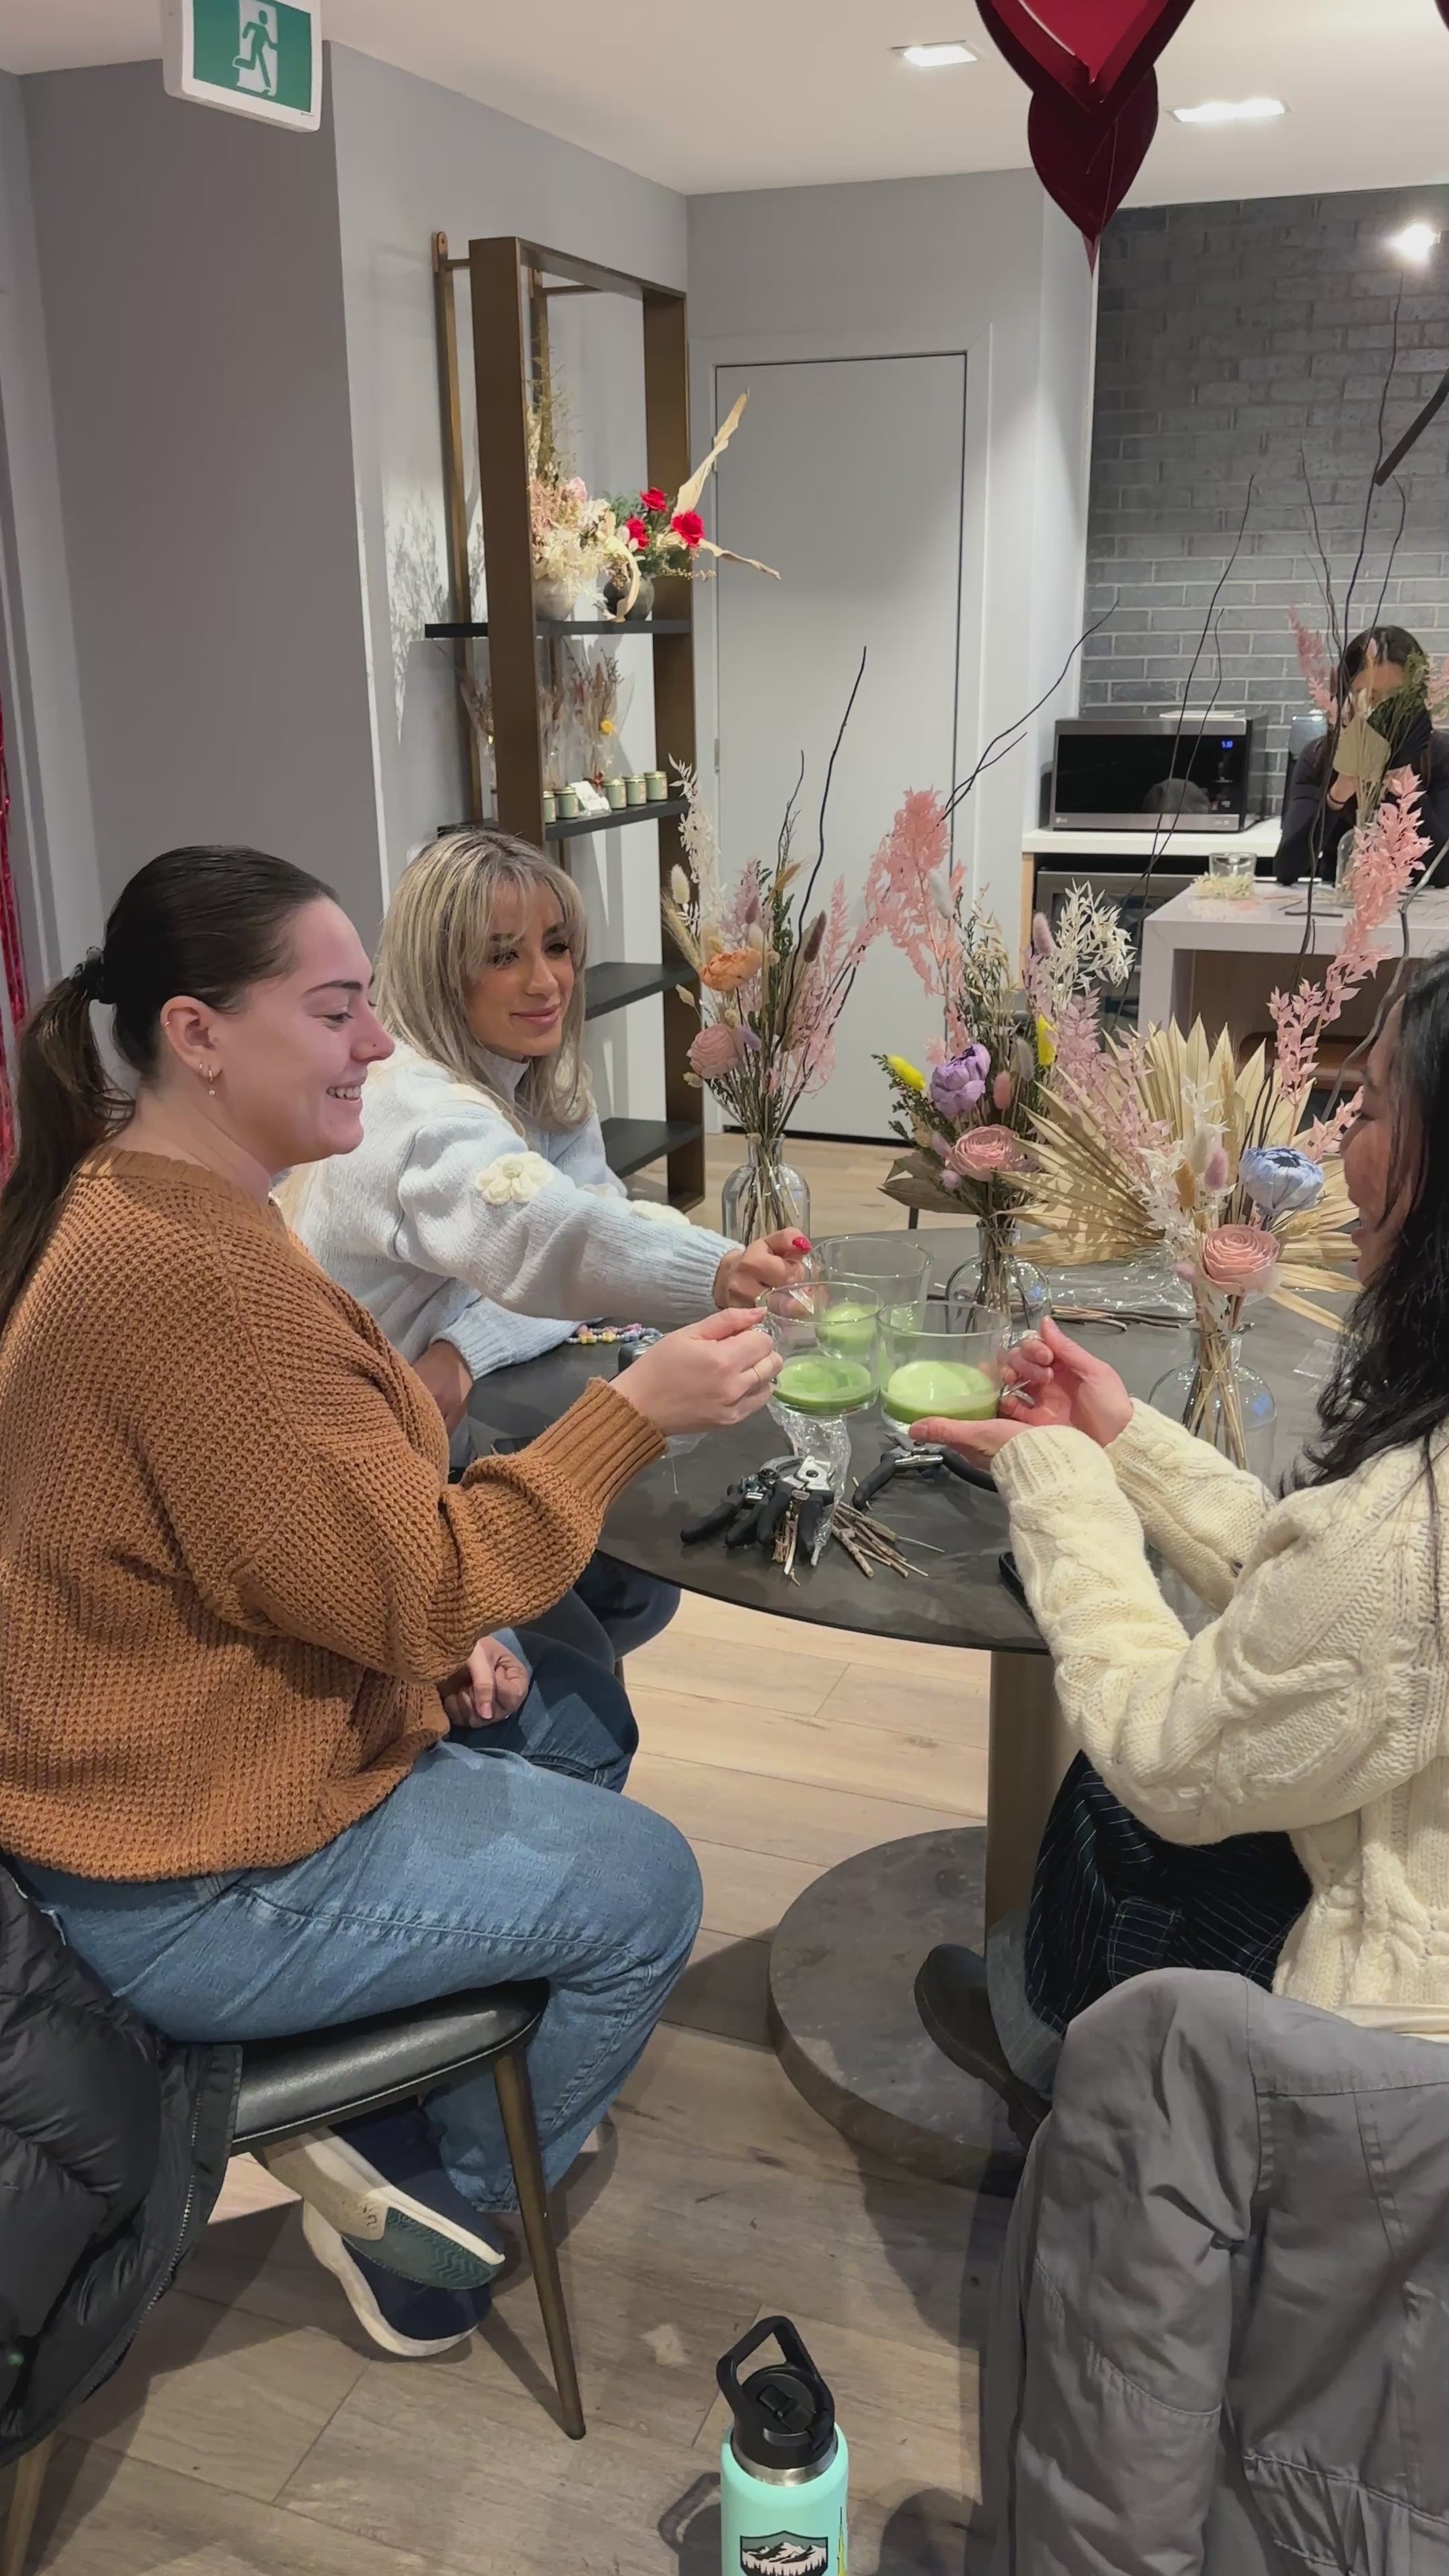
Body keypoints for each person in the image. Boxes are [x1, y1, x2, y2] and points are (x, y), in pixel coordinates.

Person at [0, 845, 783, 2361]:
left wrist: (431, 1651)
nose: (376, 1041)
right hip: (174, 1863)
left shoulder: (145, 1207)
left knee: (554, 1709)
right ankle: (438, 2215)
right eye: (338, 1008)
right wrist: (634, 1411)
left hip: (156, 1781)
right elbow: (415, 1580)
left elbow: (286, 1555)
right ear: (198, 1032)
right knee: (647, 1892)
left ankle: (398, 2086)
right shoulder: (189, 1282)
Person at [913, 954, 1449, 2129]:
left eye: (1371, 1105)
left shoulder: (1414, 1526)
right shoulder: (1406, 1509)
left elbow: (1165, 1752)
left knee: (1116, 1796)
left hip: (1383, 2071)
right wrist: (1120, 1437)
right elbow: (1332, 1611)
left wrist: (1054, 1479)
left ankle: (1058, 2073)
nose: (1338, 1144)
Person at [284, 830, 808, 1664]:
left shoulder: (535, 1077)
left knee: (634, 1581)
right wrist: (714, 1270)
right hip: (356, 1493)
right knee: (597, 1625)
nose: (544, 981)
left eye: (557, 946)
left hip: (441, 1425)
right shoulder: (419, 1113)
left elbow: (576, 1219)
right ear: (436, 968)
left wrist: (462, 1348)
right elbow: (546, 1238)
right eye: (502, 956)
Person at [1276, 622, 1449, 884]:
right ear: (1347, 696)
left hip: (1415, 910)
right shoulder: (1318, 758)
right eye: (1369, 697)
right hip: (1339, 905)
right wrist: (1339, 792)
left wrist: (1404, 783)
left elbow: (1444, 872)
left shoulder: (1439, 756)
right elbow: (1287, 869)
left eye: (1396, 699)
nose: (1381, 711)